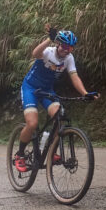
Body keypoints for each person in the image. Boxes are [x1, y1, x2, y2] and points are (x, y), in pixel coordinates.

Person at [13, 27, 96, 172]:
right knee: (32, 123)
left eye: (70, 47)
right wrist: (48, 40)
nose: (67, 50)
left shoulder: (69, 58)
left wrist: (85, 93)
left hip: (47, 91)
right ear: (58, 44)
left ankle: (51, 151)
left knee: (59, 115)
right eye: (64, 46)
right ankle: (19, 155)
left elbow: (74, 77)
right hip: (30, 88)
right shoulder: (48, 52)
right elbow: (35, 53)